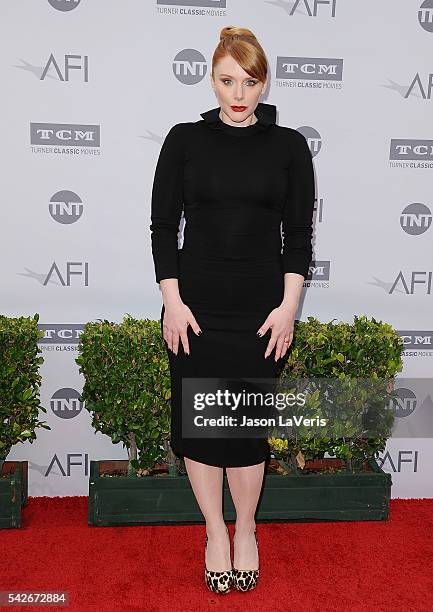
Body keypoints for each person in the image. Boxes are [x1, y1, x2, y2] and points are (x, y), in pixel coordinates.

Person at [150, 26, 315, 594]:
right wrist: (172, 301)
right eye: (227, 80)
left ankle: (247, 528)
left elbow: (298, 236)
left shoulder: (290, 146)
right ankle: (214, 531)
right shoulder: (184, 141)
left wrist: (289, 307)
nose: (238, 93)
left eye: (249, 81)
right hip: (195, 309)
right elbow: (163, 229)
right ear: (211, 79)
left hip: (260, 313)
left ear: (265, 81)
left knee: (244, 433)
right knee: (201, 433)